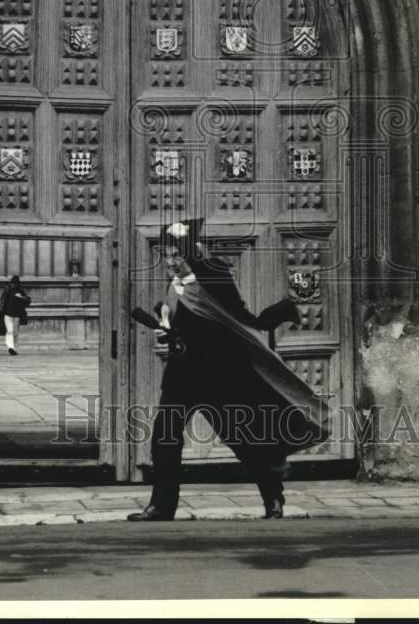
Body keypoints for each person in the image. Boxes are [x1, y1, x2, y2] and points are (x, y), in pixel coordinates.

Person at [128, 218, 331, 522]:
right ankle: (162, 506)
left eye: (176, 255)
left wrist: (270, 318)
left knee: (243, 440)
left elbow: (238, 317)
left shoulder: (215, 278)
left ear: (190, 253)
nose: (170, 262)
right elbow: (181, 320)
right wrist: (167, 330)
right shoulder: (175, 285)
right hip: (181, 375)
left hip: (216, 373)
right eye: (166, 255)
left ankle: (273, 497)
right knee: (164, 436)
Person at [0, 275, 31, 356]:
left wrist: (22, 297)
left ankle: (14, 348)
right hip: (8, 314)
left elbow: (27, 301)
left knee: (14, 332)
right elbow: (3, 301)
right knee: (10, 331)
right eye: (12, 283)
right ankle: (11, 347)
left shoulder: (19, 291)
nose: (13, 285)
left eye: (14, 283)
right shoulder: (8, 290)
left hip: (16, 314)